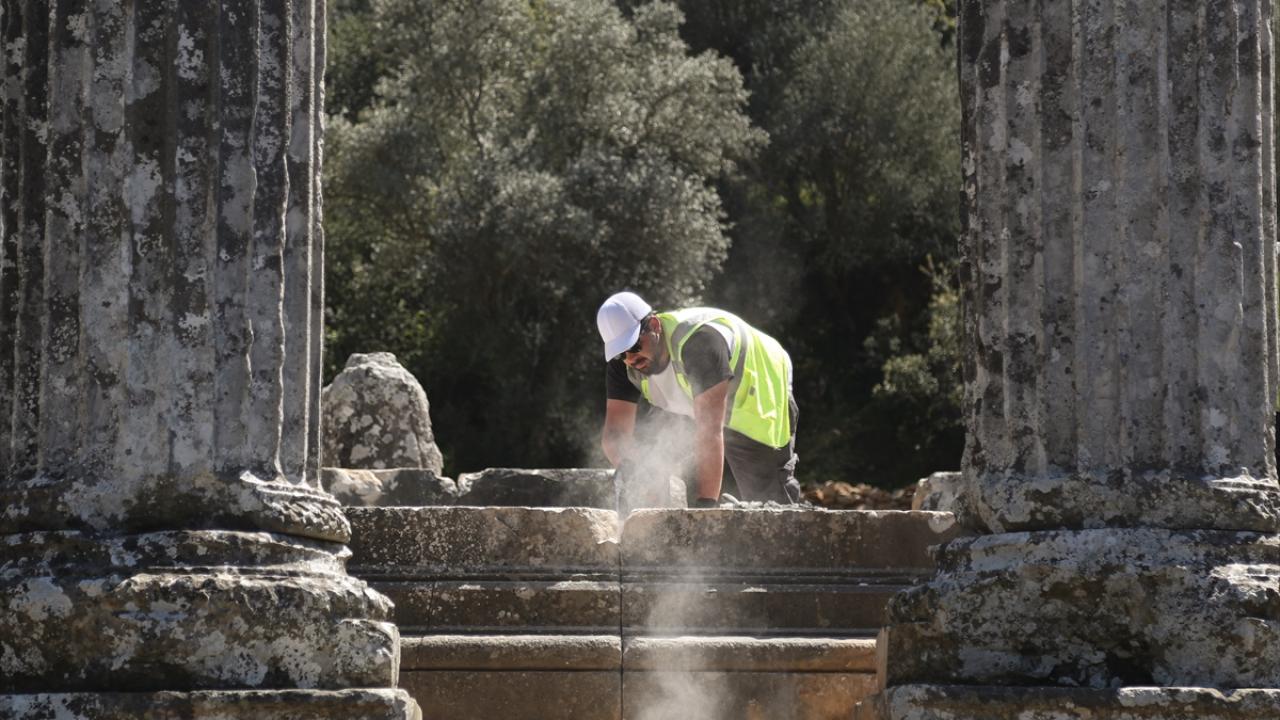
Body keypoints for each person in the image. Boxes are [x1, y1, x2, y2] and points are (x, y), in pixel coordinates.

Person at [596, 291, 800, 507]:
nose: (630, 359)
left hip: (757, 391)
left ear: (654, 326)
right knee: (650, 457)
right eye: (621, 353)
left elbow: (710, 430)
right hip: (693, 401)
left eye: (635, 346)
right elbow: (615, 435)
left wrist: (705, 507)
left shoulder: (700, 344)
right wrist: (632, 470)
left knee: (769, 504)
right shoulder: (624, 364)